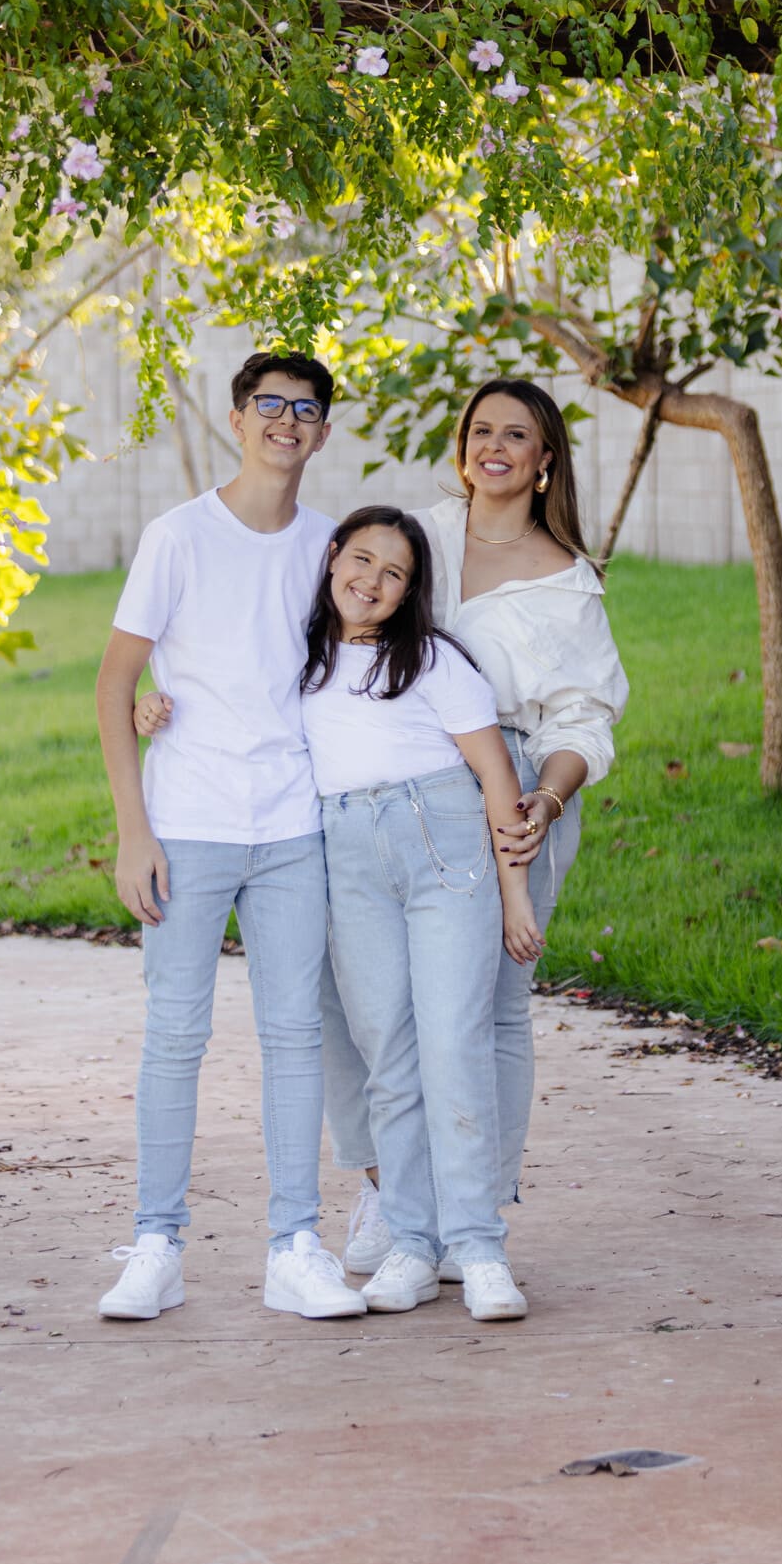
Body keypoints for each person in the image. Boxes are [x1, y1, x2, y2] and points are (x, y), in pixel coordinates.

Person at [328, 379, 629, 1278]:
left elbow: (585, 719)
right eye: (483, 430)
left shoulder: (569, 583)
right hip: (386, 787)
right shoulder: (417, 537)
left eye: (519, 435)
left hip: (515, 786)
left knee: (487, 1011)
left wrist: (548, 799)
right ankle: (390, 1188)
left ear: (544, 464)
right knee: (362, 1005)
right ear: (463, 446)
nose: (496, 445)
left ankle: (473, 1214)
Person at [93, 351, 367, 1322]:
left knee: (296, 1037)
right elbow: (116, 683)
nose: (285, 423)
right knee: (175, 1036)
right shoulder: (178, 538)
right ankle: (155, 1246)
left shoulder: (336, 549)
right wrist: (135, 832)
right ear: (236, 419)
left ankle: (297, 1247)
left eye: (304, 410)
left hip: (295, 826)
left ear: (323, 433)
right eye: (269, 406)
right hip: (190, 826)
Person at [302, 505, 539, 1321]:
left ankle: (478, 1249)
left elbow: (497, 775)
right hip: (350, 858)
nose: (370, 582)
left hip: (443, 849)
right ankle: (411, 1241)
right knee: (388, 1055)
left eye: (392, 574)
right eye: (360, 561)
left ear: (410, 593)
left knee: (451, 1041)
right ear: (332, 559)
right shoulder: (299, 661)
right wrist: (151, 708)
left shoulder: (433, 661)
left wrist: (514, 894)